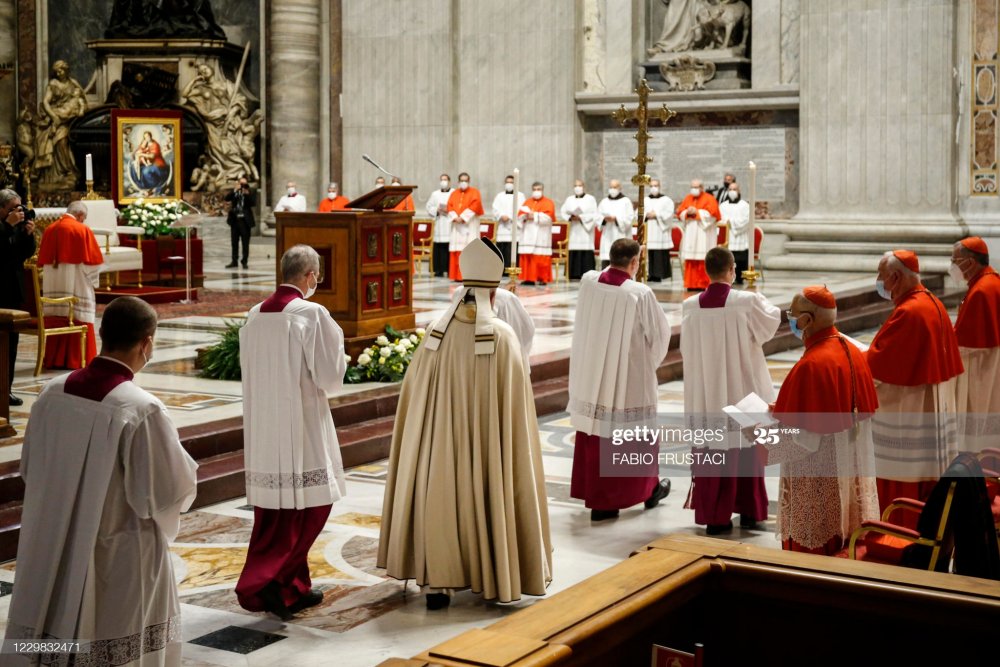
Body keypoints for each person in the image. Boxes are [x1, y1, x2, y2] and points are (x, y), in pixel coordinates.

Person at [4, 296, 198, 665]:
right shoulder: (141, 408)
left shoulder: (52, 392)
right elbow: (167, 492)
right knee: (109, 640)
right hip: (116, 550)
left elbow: (29, 468)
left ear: (102, 334)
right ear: (147, 343)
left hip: (50, 539)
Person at [378, 237, 552, 609]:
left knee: (439, 496)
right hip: (487, 445)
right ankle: (490, 575)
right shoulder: (502, 336)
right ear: (496, 289)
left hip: (439, 445)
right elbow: (515, 413)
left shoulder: (434, 334)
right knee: (489, 489)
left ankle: (437, 585)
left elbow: (414, 397)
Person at [236, 245, 348, 619]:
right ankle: (274, 580)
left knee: (276, 511)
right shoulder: (311, 314)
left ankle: (293, 587)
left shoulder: (255, 314)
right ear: (311, 276)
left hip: (264, 425)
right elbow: (330, 377)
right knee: (314, 504)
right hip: (302, 422)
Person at [763, 286, 880, 555]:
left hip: (818, 478)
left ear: (808, 319)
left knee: (815, 548)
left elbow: (803, 440)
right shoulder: (849, 349)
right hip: (845, 470)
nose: (791, 320)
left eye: (793, 315)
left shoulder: (813, 364)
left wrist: (759, 433)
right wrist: (786, 408)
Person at [569, 238, 672, 521]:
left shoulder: (589, 281)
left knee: (596, 430)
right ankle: (649, 490)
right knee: (633, 435)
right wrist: (646, 366)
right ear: (635, 262)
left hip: (593, 373)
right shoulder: (639, 293)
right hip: (628, 376)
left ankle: (601, 501)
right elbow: (660, 337)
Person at [681, 247, 780, 534]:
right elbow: (771, 322)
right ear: (732, 269)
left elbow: (687, 349)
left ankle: (716, 516)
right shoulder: (746, 302)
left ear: (706, 271)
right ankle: (749, 511)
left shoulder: (690, 307)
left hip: (706, 392)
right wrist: (756, 293)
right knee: (746, 448)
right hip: (741, 389)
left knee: (713, 450)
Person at [866, 250, 964, 529]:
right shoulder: (930, 301)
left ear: (896, 277)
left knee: (903, 477)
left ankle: (896, 530)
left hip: (906, 411)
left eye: (881, 276)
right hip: (925, 409)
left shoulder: (910, 312)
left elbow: (879, 367)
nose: (879, 282)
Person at [36, 200, 104, 369]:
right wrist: (94, 280)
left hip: (53, 286)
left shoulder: (49, 229)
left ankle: (55, 359)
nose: (83, 221)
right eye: (84, 218)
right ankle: (78, 359)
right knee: (79, 313)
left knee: (57, 314)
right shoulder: (81, 229)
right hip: (76, 283)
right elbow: (93, 264)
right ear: (80, 215)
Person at [951, 238, 1000, 453]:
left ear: (970, 262)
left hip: (982, 366)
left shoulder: (982, 290)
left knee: (981, 409)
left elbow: (967, 344)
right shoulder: (989, 281)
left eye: (955, 260)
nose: (952, 265)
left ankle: (977, 453)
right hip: (989, 360)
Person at [0, 190, 35, 406]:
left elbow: (23, 254)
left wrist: (28, 235)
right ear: (1, 208)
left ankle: (6, 389)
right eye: (13, 208)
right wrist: (7, 226)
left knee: (11, 345)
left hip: (13, 291)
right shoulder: (4, 227)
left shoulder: (16, 226)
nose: (19, 212)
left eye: (20, 207)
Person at [676, 179, 721, 290]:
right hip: (691, 232)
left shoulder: (709, 198)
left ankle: (703, 284)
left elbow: (713, 215)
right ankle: (690, 284)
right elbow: (680, 212)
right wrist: (687, 212)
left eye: (696, 187)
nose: (694, 189)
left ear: (702, 188)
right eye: (692, 187)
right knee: (690, 258)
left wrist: (697, 212)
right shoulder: (688, 198)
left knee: (703, 258)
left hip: (703, 233)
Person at [446, 172, 484, 281]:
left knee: (470, 249)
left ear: (469, 181)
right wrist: (455, 217)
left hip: (470, 225)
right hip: (457, 226)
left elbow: (476, 205)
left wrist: (463, 217)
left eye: (466, 180)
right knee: (457, 249)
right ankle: (457, 276)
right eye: (462, 180)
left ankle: (470, 276)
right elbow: (449, 205)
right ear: (458, 182)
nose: (464, 182)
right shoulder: (454, 193)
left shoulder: (475, 192)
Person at [518, 182, 557, 286]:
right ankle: (528, 278)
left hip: (541, 234)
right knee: (528, 256)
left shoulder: (548, 202)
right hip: (528, 234)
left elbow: (549, 218)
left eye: (538, 189)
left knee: (541, 257)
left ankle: (542, 278)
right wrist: (526, 216)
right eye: (534, 189)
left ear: (542, 190)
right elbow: (519, 216)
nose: (536, 191)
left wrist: (534, 215)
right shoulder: (527, 202)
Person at [561, 179, 599, 279]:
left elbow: (594, 214)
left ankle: (586, 273)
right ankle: (573, 274)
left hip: (585, 229)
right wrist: (570, 217)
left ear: (584, 187)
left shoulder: (590, 199)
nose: (577, 188)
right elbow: (563, 212)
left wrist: (581, 217)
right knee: (573, 248)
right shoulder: (569, 199)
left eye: (579, 185)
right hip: (574, 229)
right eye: (575, 186)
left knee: (585, 250)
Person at [596, 180, 635, 269]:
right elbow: (597, 217)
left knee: (621, 260)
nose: (612, 189)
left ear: (620, 188)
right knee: (607, 260)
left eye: (615, 187)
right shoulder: (604, 202)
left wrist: (616, 219)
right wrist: (604, 219)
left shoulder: (626, 201)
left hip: (620, 235)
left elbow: (630, 218)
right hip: (607, 236)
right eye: (611, 187)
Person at [644, 178, 675, 282]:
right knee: (650, 254)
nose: (654, 188)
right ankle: (651, 274)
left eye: (656, 186)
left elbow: (669, 214)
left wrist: (656, 214)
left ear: (660, 187)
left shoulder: (666, 200)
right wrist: (646, 215)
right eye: (651, 186)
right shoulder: (645, 199)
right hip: (649, 230)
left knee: (660, 253)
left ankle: (660, 274)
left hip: (660, 231)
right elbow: (638, 213)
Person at [491, 174, 525, 268]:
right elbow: (495, 209)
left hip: (514, 227)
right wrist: (501, 215)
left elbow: (521, 210)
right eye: (507, 182)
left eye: (511, 182)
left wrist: (509, 216)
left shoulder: (520, 196)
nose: (509, 184)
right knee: (502, 250)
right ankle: (501, 270)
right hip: (502, 227)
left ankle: (513, 269)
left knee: (513, 249)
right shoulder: (499, 196)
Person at [719, 181, 750, 284]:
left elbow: (746, 221)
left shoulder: (745, 205)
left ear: (739, 191)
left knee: (740, 261)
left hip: (740, 237)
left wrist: (730, 222)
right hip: (727, 238)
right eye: (730, 189)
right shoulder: (722, 206)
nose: (732, 191)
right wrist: (726, 223)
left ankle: (740, 279)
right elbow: (720, 221)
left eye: (734, 189)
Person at [425, 174, 453, 277]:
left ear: (449, 181)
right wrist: (436, 210)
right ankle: (438, 270)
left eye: (445, 179)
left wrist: (448, 209)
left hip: (449, 223)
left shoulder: (454, 193)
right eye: (442, 179)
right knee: (438, 247)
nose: (443, 181)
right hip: (439, 222)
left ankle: (449, 270)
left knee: (448, 247)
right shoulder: (435, 194)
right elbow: (428, 207)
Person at [224, 177, 256, 269]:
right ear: (238, 183)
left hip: (245, 221)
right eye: (241, 184)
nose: (243, 186)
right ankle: (234, 261)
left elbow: (253, 203)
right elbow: (227, 198)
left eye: (244, 184)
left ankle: (244, 261)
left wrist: (247, 194)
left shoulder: (250, 191)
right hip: (235, 220)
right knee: (234, 242)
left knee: (245, 243)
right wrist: (235, 190)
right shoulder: (235, 192)